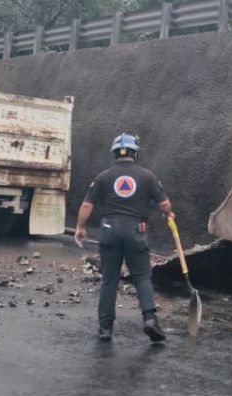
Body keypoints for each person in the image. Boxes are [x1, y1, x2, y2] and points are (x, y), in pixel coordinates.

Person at [74, 133, 173, 342]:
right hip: (136, 230)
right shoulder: (147, 176)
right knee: (142, 276)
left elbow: (86, 205)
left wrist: (80, 227)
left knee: (109, 279)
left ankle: (105, 329)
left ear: (114, 154)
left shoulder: (103, 177)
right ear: (134, 153)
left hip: (109, 229)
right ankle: (149, 319)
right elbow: (164, 205)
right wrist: (167, 213)